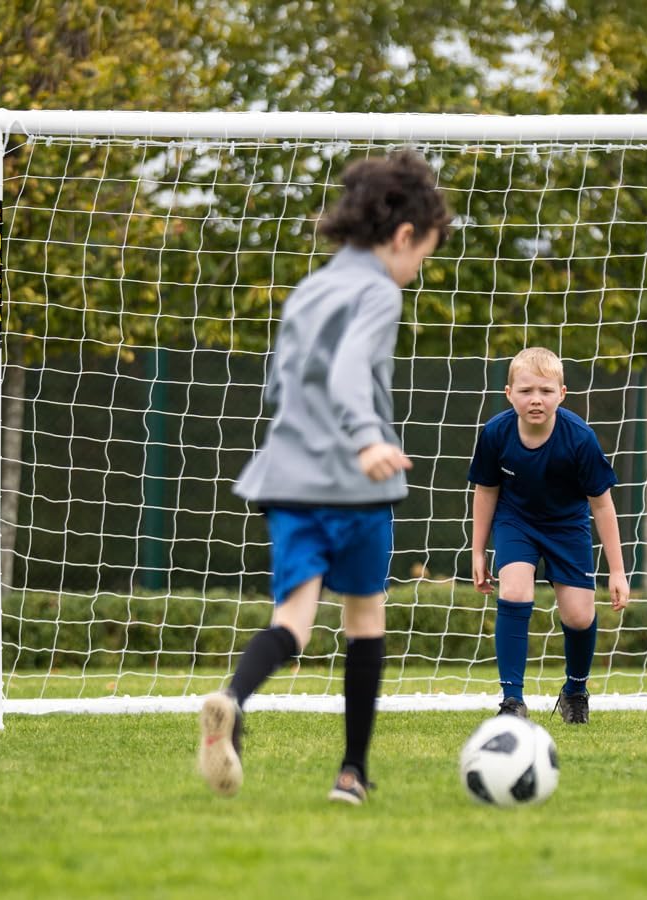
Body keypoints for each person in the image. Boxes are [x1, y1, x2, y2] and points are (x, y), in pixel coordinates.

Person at [198, 151, 450, 803]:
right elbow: (347, 372)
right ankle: (351, 773)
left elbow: (280, 385)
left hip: (286, 478)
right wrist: (367, 439)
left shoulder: (310, 289)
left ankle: (234, 697)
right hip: (355, 483)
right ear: (404, 236)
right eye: (423, 254)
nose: (418, 269)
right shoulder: (379, 291)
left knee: (293, 620)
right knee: (364, 620)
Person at [468, 347, 629, 724]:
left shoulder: (580, 438)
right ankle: (512, 701)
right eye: (526, 391)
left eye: (545, 390)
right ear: (509, 394)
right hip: (516, 522)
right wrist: (478, 551)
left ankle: (575, 691)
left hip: (567, 526)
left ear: (562, 394)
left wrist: (617, 571)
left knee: (579, 616)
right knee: (514, 591)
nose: (536, 399)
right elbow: (486, 491)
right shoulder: (496, 433)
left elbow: (602, 505)